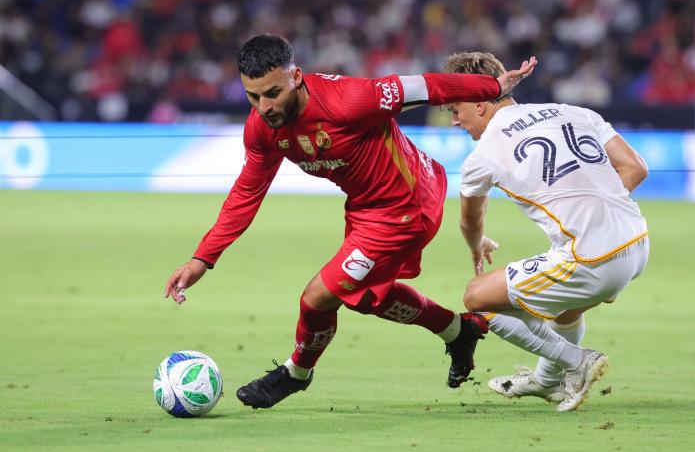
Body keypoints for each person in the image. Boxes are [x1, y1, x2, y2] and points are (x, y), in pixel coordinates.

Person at [164, 34, 536, 409]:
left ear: (296, 77)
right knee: (364, 297)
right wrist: (202, 258)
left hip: (407, 204)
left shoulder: (349, 100)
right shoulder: (263, 129)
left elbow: (425, 86)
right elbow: (247, 192)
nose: (264, 106)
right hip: (367, 208)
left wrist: (492, 86)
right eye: (253, 97)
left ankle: (295, 374)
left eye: (272, 93)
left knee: (318, 297)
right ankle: (458, 331)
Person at [443, 51, 649, 412]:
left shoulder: (483, 155)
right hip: (637, 242)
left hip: (592, 257)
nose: (455, 121)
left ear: (479, 104)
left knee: (477, 297)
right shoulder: (573, 112)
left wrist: (478, 246)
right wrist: (597, 216)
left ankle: (576, 361)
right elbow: (635, 168)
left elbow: (470, 222)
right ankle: (546, 380)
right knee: (565, 309)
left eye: (455, 109)